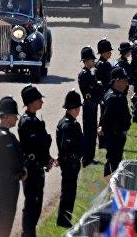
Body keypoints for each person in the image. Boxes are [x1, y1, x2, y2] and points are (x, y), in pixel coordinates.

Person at [18, 84, 54, 237]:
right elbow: (37, 145)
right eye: (39, 99)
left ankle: (30, 232)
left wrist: (48, 159)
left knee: (36, 203)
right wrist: (45, 156)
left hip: (37, 168)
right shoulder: (28, 122)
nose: (42, 102)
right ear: (31, 102)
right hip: (32, 169)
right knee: (32, 203)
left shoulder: (33, 120)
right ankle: (28, 233)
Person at [0, 96, 25, 237]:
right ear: (7, 116)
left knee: (4, 216)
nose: (16, 118)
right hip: (8, 181)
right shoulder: (5, 137)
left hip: (1, 179)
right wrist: (22, 172)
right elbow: (12, 160)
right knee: (6, 216)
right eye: (14, 115)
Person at [55, 90, 83, 228]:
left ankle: (65, 219)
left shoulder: (65, 122)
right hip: (69, 164)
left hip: (69, 162)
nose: (79, 110)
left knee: (69, 191)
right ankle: (64, 220)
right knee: (68, 192)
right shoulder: (69, 125)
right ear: (73, 108)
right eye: (78, 108)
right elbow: (65, 146)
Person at [98, 66, 131, 176]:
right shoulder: (115, 97)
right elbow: (106, 116)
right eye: (124, 81)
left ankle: (108, 185)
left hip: (113, 134)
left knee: (111, 161)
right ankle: (111, 188)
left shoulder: (110, 93)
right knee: (115, 164)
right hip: (115, 135)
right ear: (116, 81)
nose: (126, 84)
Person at [76, 46, 101, 167]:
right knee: (89, 133)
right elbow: (91, 91)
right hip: (89, 104)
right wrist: (97, 85)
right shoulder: (84, 74)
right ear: (86, 61)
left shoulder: (90, 73)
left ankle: (90, 157)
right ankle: (86, 158)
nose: (93, 62)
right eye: (91, 60)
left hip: (93, 104)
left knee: (92, 132)